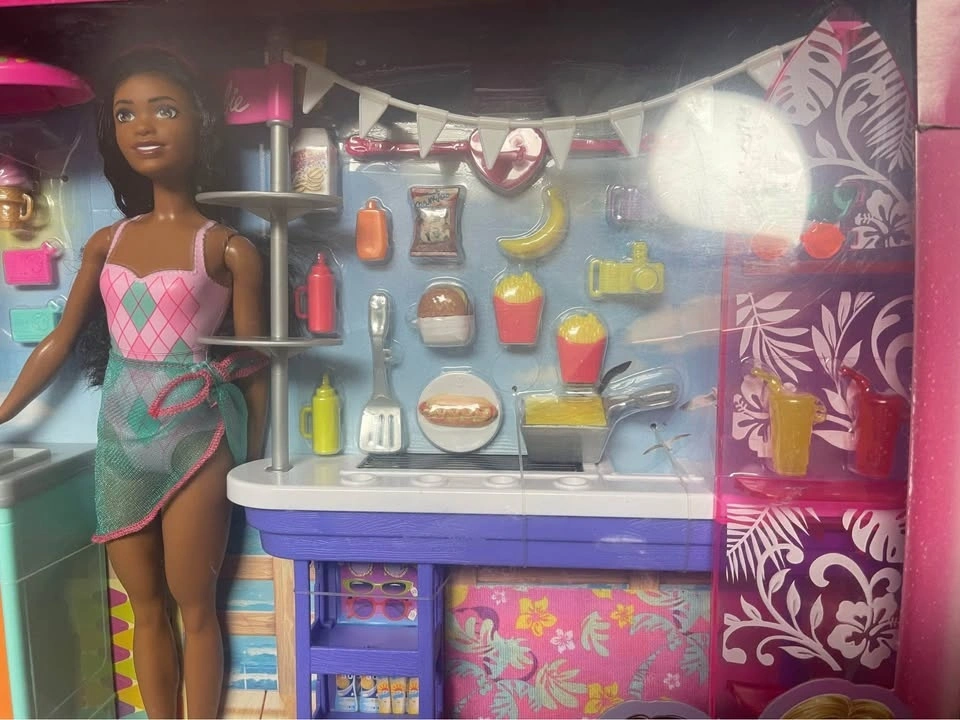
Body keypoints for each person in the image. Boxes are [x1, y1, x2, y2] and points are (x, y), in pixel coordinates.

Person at [0, 47, 269, 719]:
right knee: (142, 606)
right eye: (125, 114)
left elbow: (256, 362)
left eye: (164, 110)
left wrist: (257, 459)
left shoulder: (228, 248)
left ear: (201, 123)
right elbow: (60, 341)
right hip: (121, 440)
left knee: (195, 607)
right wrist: (2, 412)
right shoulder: (107, 243)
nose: (143, 127)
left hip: (196, 437)